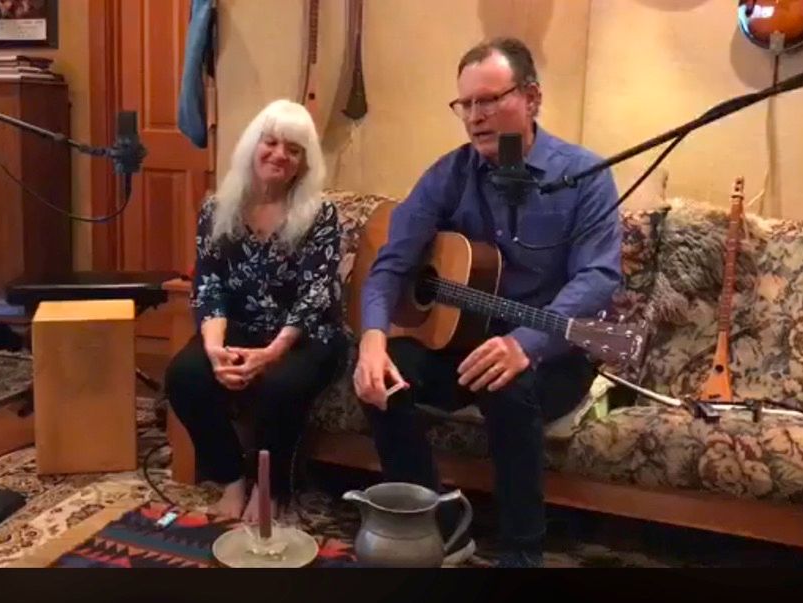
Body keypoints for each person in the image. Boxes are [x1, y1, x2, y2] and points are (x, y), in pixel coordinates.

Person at [353, 37, 622, 567]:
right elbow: (391, 264)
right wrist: (372, 339)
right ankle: (434, 525)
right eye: (466, 104)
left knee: (506, 386)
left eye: (490, 101)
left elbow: (598, 277)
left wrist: (526, 343)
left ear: (532, 98)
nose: (475, 117)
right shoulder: (450, 175)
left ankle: (522, 552)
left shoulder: (584, 175)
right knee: (383, 377)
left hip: (553, 355)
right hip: (464, 343)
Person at [165, 99, 346, 523]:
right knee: (185, 375)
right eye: (271, 142)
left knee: (279, 386)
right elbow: (208, 286)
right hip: (241, 327)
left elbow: (314, 296)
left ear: (304, 163)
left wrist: (271, 354)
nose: (280, 155)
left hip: (307, 335)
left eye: (294, 149)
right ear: (253, 146)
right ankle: (232, 479)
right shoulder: (217, 209)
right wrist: (214, 350)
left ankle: (271, 488)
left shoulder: (321, 215)